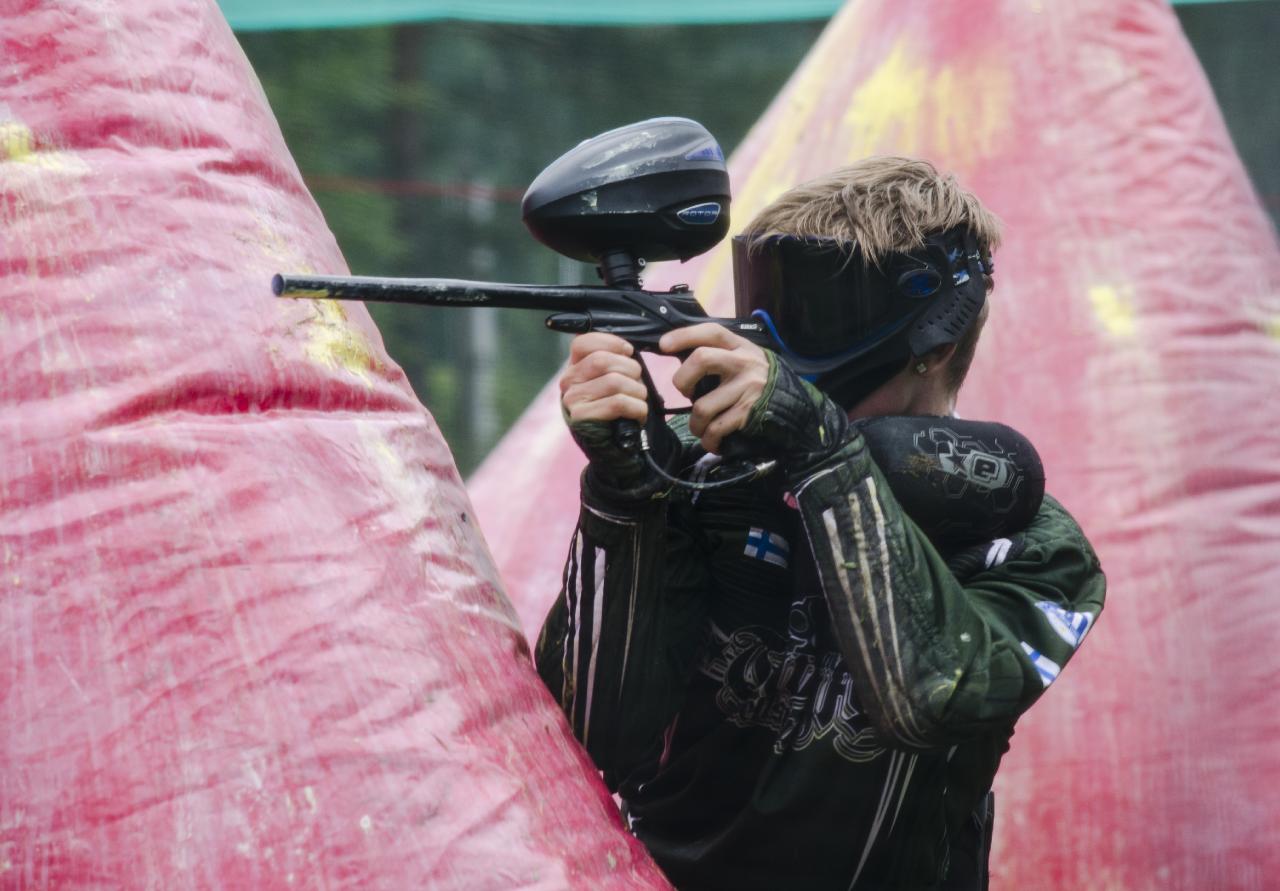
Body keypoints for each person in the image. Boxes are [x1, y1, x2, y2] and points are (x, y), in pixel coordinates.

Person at [535, 157, 1105, 891]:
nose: (783, 358)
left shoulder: (1030, 547)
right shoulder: (703, 473)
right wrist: (626, 495)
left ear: (936, 344)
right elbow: (589, 740)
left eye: (822, 321)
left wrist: (821, 449)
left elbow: (932, 699)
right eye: (773, 314)